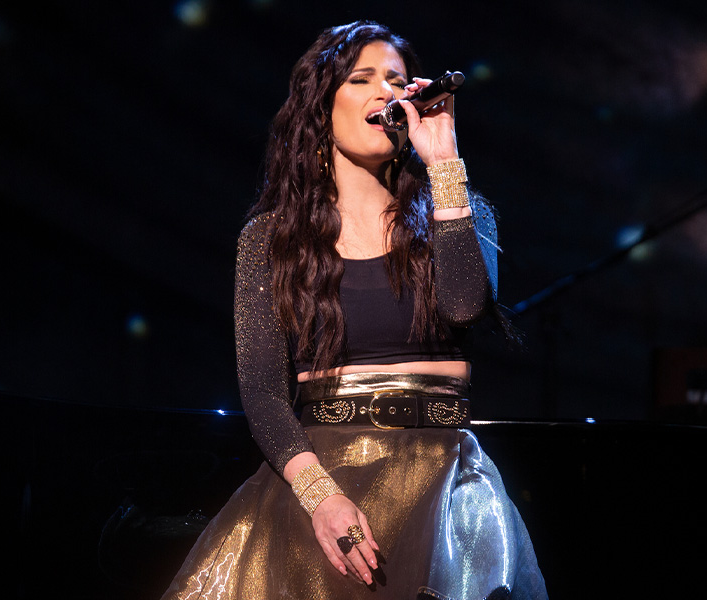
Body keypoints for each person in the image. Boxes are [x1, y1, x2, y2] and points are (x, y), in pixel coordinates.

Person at [161, 21, 546, 600]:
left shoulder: (463, 212)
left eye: (395, 80)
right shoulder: (269, 240)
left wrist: (443, 161)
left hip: (445, 485)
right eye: (361, 78)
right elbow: (263, 392)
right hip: (327, 474)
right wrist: (322, 497)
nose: (384, 93)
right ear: (323, 106)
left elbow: (465, 307)